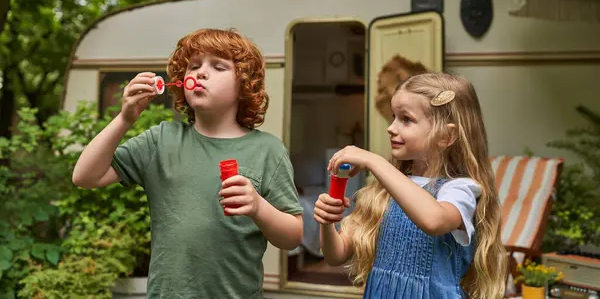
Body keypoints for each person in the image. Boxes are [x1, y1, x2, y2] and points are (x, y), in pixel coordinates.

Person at [72, 28, 303, 299]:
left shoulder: (267, 150)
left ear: (244, 85)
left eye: (218, 66)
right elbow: (85, 177)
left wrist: (258, 207)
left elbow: (293, 237)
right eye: (194, 66)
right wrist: (125, 118)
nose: (200, 73)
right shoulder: (161, 139)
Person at [314, 72, 506, 299]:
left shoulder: (460, 189)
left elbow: (434, 220)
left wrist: (373, 161)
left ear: (446, 135)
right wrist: (327, 224)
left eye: (406, 119)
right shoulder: (383, 191)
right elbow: (336, 256)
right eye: (393, 116)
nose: (391, 127)